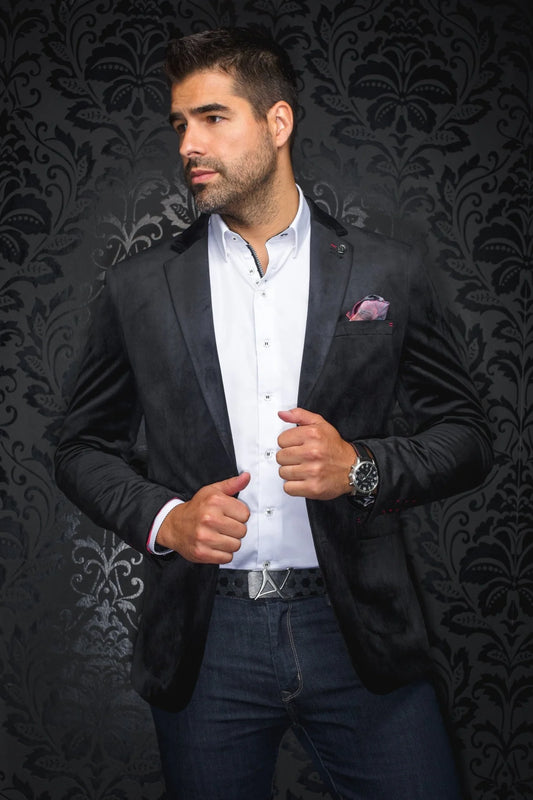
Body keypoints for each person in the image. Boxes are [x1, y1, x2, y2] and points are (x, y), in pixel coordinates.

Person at [55, 26, 493, 800]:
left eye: (213, 118)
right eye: (179, 124)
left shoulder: (385, 269)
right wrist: (165, 520)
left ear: (277, 123)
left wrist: (360, 467)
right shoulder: (139, 286)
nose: (189, 142)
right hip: (205, 638)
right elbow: (79, 445)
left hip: (358, 630)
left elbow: (467, 435)